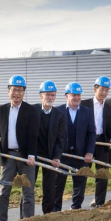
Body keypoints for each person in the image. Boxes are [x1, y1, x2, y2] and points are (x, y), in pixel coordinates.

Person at [0, 75, 38, 221]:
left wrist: (31, 155)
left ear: (24, 92)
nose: (16, 93)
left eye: (20, 90)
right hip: (8, 156)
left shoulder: (30, 110)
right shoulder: (1, 110)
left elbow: (33, 135)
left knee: (28, 192)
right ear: (8, 90)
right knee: (4, 191)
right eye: (14, 89)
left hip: (25, 158)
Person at [54, 82, 96, 211]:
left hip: (80, 154)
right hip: (62, 155)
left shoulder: (87, 112)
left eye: (79, 95)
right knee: (58, 183)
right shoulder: (58, 111)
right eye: (74, 95)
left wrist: (89, 152)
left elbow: (91, 133)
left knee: (79, 182)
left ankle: (76, 208)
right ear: (67, 96)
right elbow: (53, 134)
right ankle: (56, 211)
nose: (77, 97)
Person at [32, 81, 66, 214]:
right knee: (28, 187)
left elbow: (60, 138)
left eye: (53, 95)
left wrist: (57, 157)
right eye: (47, 94)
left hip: (50, 156)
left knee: (50, 188)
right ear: (41, 95)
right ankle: (26, 216)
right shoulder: (32, 110)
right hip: (33, 155)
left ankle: (48, 215)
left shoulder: (59, 115)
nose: (50, 97)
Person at [81, 76, 111, 207]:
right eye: (102, 90)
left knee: (102, 173)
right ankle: (77, 203)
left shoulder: (108, 107)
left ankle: (99, 202)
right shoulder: (85, 104)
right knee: (83, 172)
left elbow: (109, 127)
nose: (104, 93)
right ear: (95, 88)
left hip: (102, 142)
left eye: (107, 90)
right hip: (86, 143)